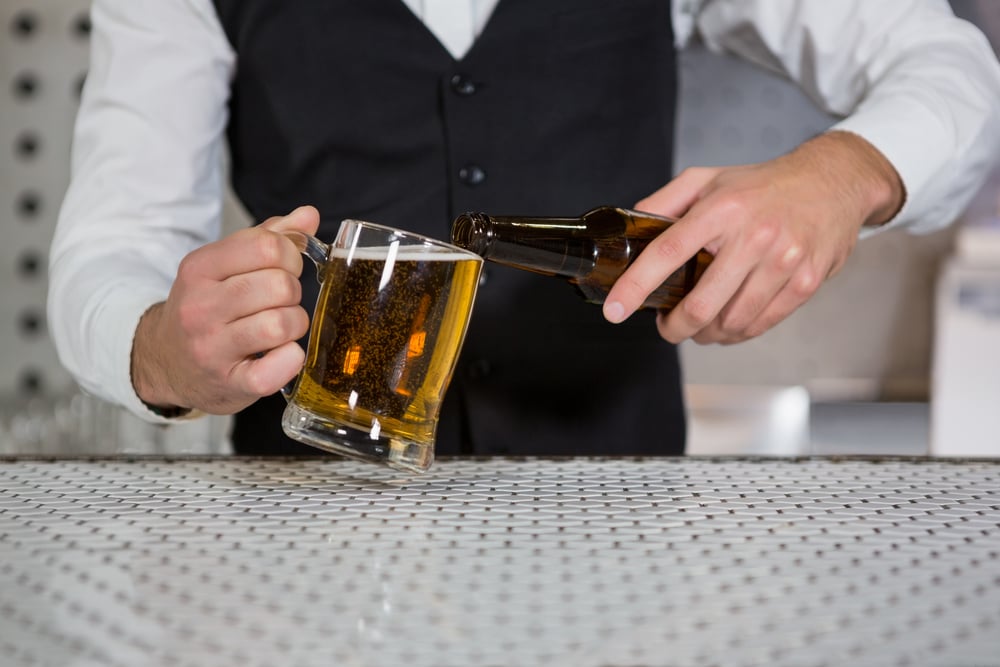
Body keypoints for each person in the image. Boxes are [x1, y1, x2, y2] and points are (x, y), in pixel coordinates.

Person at [49, 0, 1000, 457]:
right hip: (305, 528)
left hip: (619, 521)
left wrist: (839, 175)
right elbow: (111, 242)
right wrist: (161, 351)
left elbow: (951, 65)